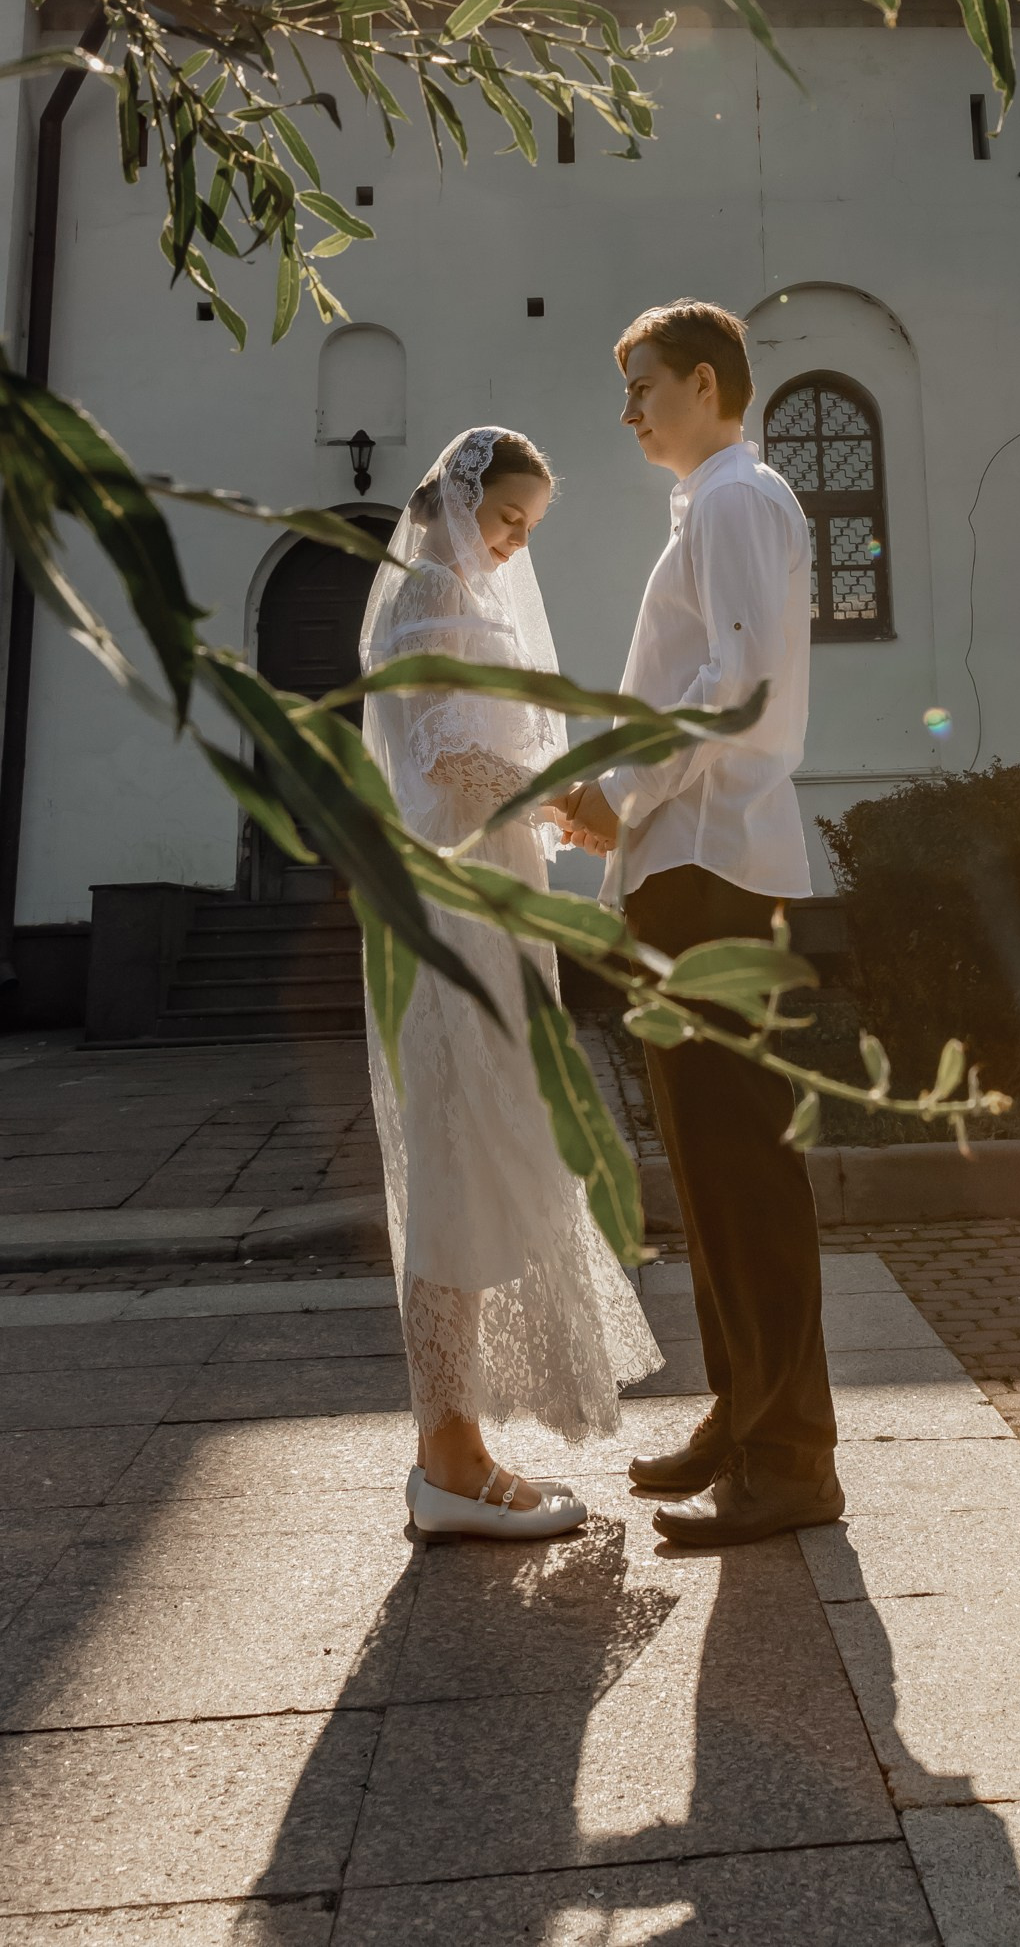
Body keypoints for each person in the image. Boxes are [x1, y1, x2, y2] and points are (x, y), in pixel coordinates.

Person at [551, 301, 841, 1548]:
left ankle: (789, 1456)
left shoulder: (735, 498)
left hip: (711, 866)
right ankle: (746, 1417)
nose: (627, 411)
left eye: (643, 385)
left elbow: (732, 691)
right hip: (691, 863)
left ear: (707, 383)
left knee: (741, 1167)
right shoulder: (716, 504)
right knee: (715, 1168)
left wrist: (619, 793)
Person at [360, 424, 660, 1542]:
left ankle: (458, 1443)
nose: (511, 544)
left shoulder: (455, 599)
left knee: (480, 1151)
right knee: (454, 1156)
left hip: (485, 894)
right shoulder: (432, 598)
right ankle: (447, 1455)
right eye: (505, 519)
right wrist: (570, 805)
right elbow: (454, 757)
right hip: (458, 905)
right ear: (454, 498)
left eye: (524, 529)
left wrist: (549, 808)